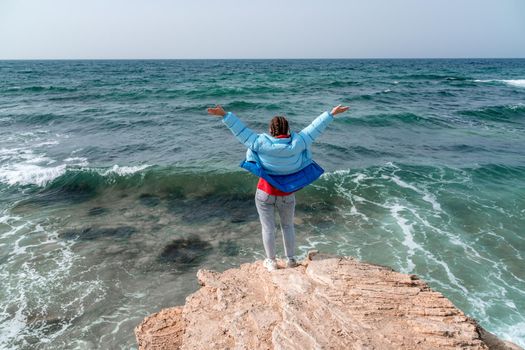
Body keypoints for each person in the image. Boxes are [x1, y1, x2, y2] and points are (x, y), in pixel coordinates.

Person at [207, 104, 349, 271]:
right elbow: (314, 128)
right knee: (288, 226)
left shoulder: (259, 143)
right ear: (288, 130)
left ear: (270, 130)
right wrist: (330, 114)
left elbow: (240, 131)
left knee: (268, 227)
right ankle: (290, 260)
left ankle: (272, 261)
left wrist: (224, 115)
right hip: (287, 194)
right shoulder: (299, 143)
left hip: (265, 193)